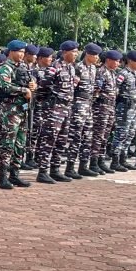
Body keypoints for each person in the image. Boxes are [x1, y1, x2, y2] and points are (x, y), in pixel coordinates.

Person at [0, 40, 36, 189]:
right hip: (9, 111)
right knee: (7, 144)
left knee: (20, 144)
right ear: (11, 51)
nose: (22, 55)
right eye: (19, 52)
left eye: (23, 52)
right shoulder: (6, 67)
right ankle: (3, 177)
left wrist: (33, 84)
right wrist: (23, 90)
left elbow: (30, 81)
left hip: (22, 110)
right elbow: (5, 86)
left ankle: (15, 174)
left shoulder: (23, 67)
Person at [34, 42, 77, 183]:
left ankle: (55, 169)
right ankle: (42, 171)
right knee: (49, 140)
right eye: (74, 52)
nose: (76, 54)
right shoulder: (54, 68)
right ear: (65, 52)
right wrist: (47, 103)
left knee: (62, 140)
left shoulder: (70, 68)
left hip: (66, 108)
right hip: (54, 108)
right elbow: (42, 87)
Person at [65, 43, 101, 179]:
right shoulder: (78, 68)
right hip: (79, 105)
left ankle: (83, 166)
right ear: (88, 55)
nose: (97, 58)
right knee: (76, 137)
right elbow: (73, 88)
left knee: (87, 137)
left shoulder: (93, 69)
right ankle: (70, 167)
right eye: (95, 55)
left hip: (89, 105)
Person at [110, 50, 136, 172]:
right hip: (124, 108)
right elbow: (115, 89)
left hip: (133, 108)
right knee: (121, 134)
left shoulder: (135, 74)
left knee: (130, 134)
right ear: (130, 61)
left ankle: (123, 159)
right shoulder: (123, 74)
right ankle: (115, 160)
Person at [89, 49, 122, 175]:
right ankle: (93, 162)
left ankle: (100, 160)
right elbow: (96, 91)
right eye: (116, 61)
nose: (118, 63)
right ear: (108, 60)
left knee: (105, 136)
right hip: (101, 108)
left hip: (110, 108)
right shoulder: (101, 72)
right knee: (98, 136)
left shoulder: (112, 73)